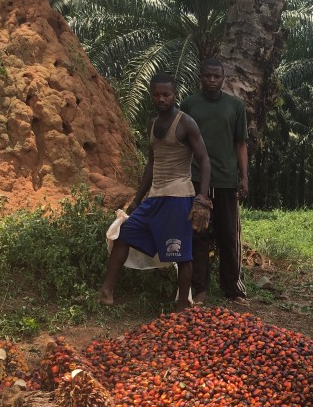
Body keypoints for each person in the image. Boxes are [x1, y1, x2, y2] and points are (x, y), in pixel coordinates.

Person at [99, 73, 211, 310]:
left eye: (166, 94)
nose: (161, 98)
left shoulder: (185, 123)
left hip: (179, 198)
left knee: (181, 253)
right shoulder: (151, 124)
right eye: (157, 94)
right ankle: (106, 292)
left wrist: (202, 199)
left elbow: (204, 160)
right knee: (124, 233)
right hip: (155, 197)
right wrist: (137, 200)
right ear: (152, 95)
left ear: (174, 95)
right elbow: (151, 164)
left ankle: (182, 304)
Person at [180, 59, 249, 304]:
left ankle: (233, 289)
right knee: (199, 234)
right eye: (207, 76)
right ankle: (200, 289)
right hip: (198, 180)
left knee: (229, 235)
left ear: (223, 79)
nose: (212, 80)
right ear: (201, 77)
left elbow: (240, 143)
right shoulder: (189, 104)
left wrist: (244, 177)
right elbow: (182, 143)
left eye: (216, 76)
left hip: (227, 181)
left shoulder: (235, 106)